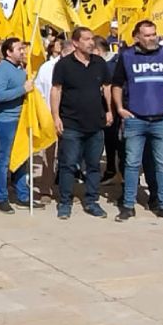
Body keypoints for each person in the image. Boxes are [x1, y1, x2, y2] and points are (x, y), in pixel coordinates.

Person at [111, 20, 163, 224]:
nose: (151, 38)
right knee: (132, 163)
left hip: (162, 119)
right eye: (146, 35)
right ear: (137, 36)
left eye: (153, 34)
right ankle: (128, 205)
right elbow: (116, 84)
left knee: (162, 165)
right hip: (135, 118)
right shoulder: (126, 56)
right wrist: (119, 108)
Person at [50, 26, 112, 220]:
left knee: (93, 165)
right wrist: (56, 117)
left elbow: (107, 86)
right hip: (71, 123)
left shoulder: (99, 63)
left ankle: (92, 201)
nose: (90, 42)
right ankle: (65, 202)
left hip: (95, 123)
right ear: (75, 42)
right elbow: (56, 90)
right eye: (86, 39)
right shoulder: (64, 65)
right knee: (68, 164)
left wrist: (109, 110)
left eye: (91, 39)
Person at [0, 37, 41, 212]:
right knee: (4, 160)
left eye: (23, 48)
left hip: (22, 119)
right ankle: (2, 197)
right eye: (19, 49)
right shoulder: (2, 70)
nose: (23, 51)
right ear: (8, 52)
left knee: (22, 157)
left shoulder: (21, 68)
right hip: (7, 121)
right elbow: (0, 95)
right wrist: (23, 89)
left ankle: (23, 195)